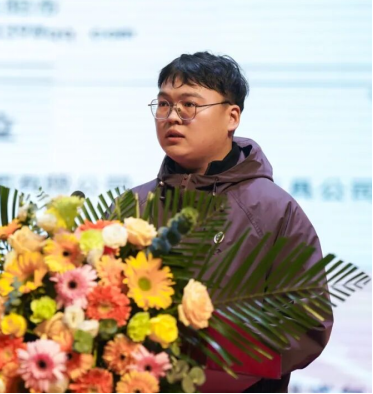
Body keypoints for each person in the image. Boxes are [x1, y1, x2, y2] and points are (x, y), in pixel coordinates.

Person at [131, 52, 333, 393]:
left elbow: (307, 321)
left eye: (189, 105)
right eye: (164, 104)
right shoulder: (132, 207)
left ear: (232, 116)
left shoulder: (274, 210)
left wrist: (210, 367)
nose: (172, 116)